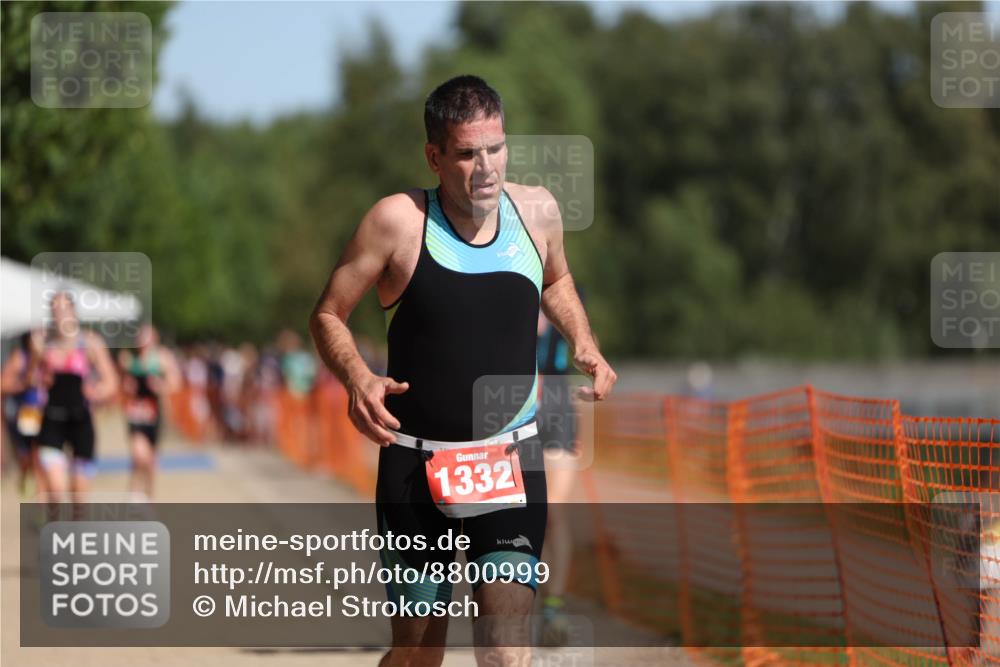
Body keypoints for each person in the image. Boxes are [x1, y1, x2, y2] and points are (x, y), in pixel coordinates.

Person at [309, 75, 617, 667]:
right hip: (416, 467)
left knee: (505, 653)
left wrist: (585, 340)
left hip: (508, 463)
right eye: (467, 153)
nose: (486, 168)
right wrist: (357, 376)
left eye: (496, 148)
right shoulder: (396, 223)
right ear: (434, 156)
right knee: (419, 656)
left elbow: (556, 280)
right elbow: (327, 314)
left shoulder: (537, 212)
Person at [35, 291, 118, 515]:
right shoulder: (42, 344)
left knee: (79, 496)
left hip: (81, 421)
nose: (60, 315)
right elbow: (28, 377)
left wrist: (97, 392)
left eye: (64, 309)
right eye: (55, 310)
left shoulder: (89, 343)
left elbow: (111, 381)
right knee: (55, 487)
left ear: (73, 311)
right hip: (52, 420)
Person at [534, 311, 580, 646]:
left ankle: (553, 607)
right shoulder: (502, 283)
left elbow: (587, 341)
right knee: (514, 512)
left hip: (557, 405)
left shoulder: (567, 294)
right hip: (510, 401)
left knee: (554, 514)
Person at [117, 324, 182, 499]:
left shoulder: (162, 358)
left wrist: (161, 386)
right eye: (139, 337)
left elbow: (176, 382)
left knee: (151, 461)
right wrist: (126, 384)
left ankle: (147, 498)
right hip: (136, 413)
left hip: (156, 413)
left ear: (154, 338)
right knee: (139, 454)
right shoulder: (129, 358)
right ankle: (134, 495)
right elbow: (122, 384)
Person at [1, 329, 48, 498]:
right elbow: (3, 385)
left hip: (49, 415)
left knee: (42, 459)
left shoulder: (51, 356)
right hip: (27, 415)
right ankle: (27, 478)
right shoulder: (19, 357)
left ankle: (41, 497)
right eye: (36, 334)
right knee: (30, 459)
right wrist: (24, 383)